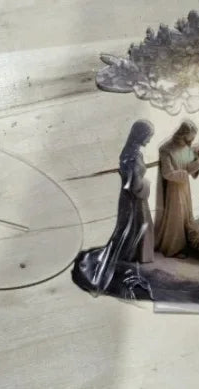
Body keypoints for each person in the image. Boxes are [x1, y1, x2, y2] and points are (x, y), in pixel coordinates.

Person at [73, 119, 155, 294]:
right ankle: (114, 271)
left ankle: (132, 270)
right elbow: (134, 185)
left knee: (135, 233)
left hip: (135, 199)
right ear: (140, 135)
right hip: (132, 200)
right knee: (131, 234)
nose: (149, 140)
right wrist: (147, 186)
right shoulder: (131, 157)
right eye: (148, 136)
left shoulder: (135, 153)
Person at [155, 120, 199, 257]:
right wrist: (185, 173)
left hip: (184, 186)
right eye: (190, 137)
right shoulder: (166, 149)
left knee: (186, 213)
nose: (191, 141)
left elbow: (188, 166)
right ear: (183, 134)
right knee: (177, 216)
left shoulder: (186, 147)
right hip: (174, 188)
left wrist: (197, 163)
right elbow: (167, 173)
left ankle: (187, 243)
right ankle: (174, 248)